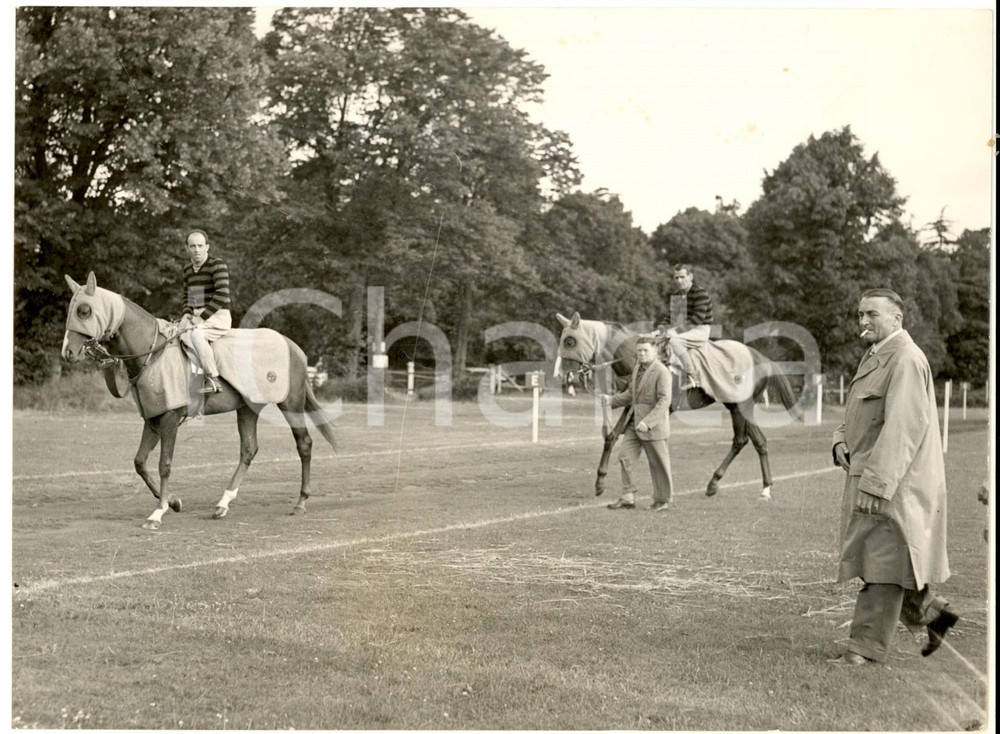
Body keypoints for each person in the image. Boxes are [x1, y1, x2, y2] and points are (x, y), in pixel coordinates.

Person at [829, 288, 958, 665]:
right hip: (871, 475)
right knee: (886, 559)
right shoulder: (876, 355)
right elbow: (856, 413)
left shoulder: (904, 358)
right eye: (860, 314)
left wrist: (878, 483)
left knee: (881, 566)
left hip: (893, 484)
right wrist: (839, 440)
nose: (863, 321)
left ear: (896, 319)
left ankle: (864, 653)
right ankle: (933, 614)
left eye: (872, 314)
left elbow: (904, 427)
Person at [599, 336, 674, 511]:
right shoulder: (637, 369)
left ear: (655, 351)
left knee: (658, 464)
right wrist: (610, 400)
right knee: (625, 456)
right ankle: (628, 498)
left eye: (645, 350)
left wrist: (648, 422)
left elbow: (665, 401)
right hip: (633, 423)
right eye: (639, 350)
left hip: (652, 426)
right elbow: (630, 396)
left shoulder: (662, 372)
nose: (641, 353)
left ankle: (662, 501)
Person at [179, 229, 232, 394]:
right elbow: (189, 297)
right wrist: (187, 313)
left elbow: (222, 295)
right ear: (187, 248)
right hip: (197, 316)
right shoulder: (188, 269)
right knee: (175, 333)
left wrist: (201, 319)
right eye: (192, 246)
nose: (196, 250)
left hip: (218, 315)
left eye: (200, 246)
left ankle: (213, 378)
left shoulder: (217, 265)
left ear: (207, 247)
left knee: (197, 335)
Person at [662, 264, 714, 389]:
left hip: (701, 329)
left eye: (682, 277)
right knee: (659, 339)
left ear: (690, 276)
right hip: (685, 330)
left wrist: (674, 332)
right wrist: (658, 331)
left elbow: (697, 319)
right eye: (676, 278)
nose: (679, 281)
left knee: (673, 339)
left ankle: (692, 375)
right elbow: (671, 318)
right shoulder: (677, 295)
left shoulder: (700, 293)